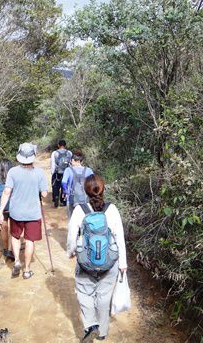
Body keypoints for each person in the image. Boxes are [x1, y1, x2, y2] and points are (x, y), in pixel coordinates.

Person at [66, 174, 127, 342]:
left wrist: (71, 252)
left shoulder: (80, 210)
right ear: (103, 189)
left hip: (85, 263)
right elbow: (119, 237)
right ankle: (102, 332)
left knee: (84, 294)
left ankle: (91, 324)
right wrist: (123, 263)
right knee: (104, 296)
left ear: (85, 191)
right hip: (109, 263)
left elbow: (72, 237)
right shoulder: (112, 209)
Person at [0, 143, 48, 279]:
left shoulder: (13, 172)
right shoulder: (40, 173)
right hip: (33, 213)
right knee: (30, 240)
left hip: (16, 213)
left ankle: (17, 262)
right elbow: (44, 194)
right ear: (33, 156)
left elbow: (6, 192)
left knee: (15, 236)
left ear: (19, 156)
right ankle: (26, 270)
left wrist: (0, 211)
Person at [61, 149, 94, 218]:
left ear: (75, 160)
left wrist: (65, 191)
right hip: (86, 200)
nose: (71, 161)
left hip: (71, 199)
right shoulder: (88, 170)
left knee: (72, 219)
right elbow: (93, 183)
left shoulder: (68, 170)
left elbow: (64, 182)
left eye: (72, 160)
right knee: (86, 218)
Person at [0, 159, 14, 260]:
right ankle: (11, 250)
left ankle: (5, 249)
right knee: (13, 228)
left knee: (4, 228)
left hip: (1, 207)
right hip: (13, 207)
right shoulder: (14, 179)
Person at [50, 140, 72, 208]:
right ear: (65, 146)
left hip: (57, 172)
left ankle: (55, 198)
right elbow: (70, 164)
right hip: (66, 172)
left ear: (58, 145)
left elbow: (53, 164)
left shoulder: (54, 153)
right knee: (64, 186)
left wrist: (52, 173)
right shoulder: (69, 153)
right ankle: (63, 201)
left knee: (55, 186)